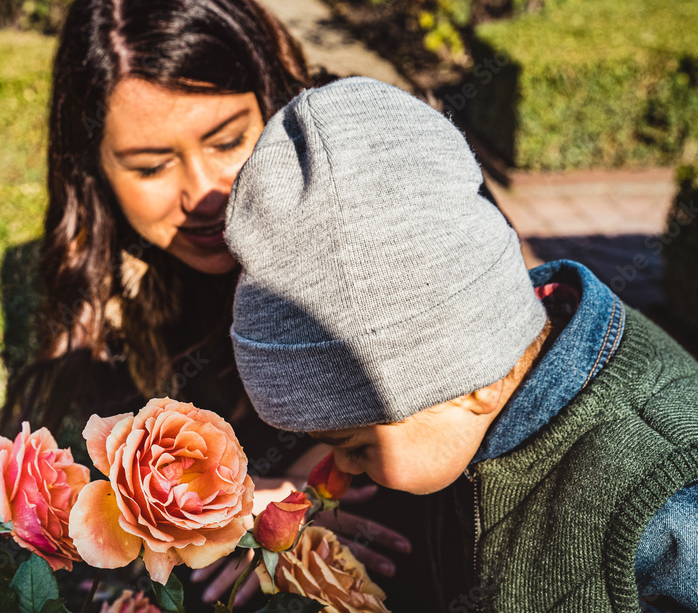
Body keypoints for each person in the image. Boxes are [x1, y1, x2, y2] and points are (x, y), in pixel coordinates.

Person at [0, 0, 412, 607]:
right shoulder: (102, 282)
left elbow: (468, 359)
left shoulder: (361, 163)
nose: (205, 194)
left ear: (270, 99)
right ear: (93, 169)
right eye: (151, 165)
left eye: (227, 141)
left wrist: (315, 477)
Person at [224, 75, 698, 611]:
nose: (342, 469)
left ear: (472, 380)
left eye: (355, 445)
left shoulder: (664, 488)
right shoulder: (467, 415)